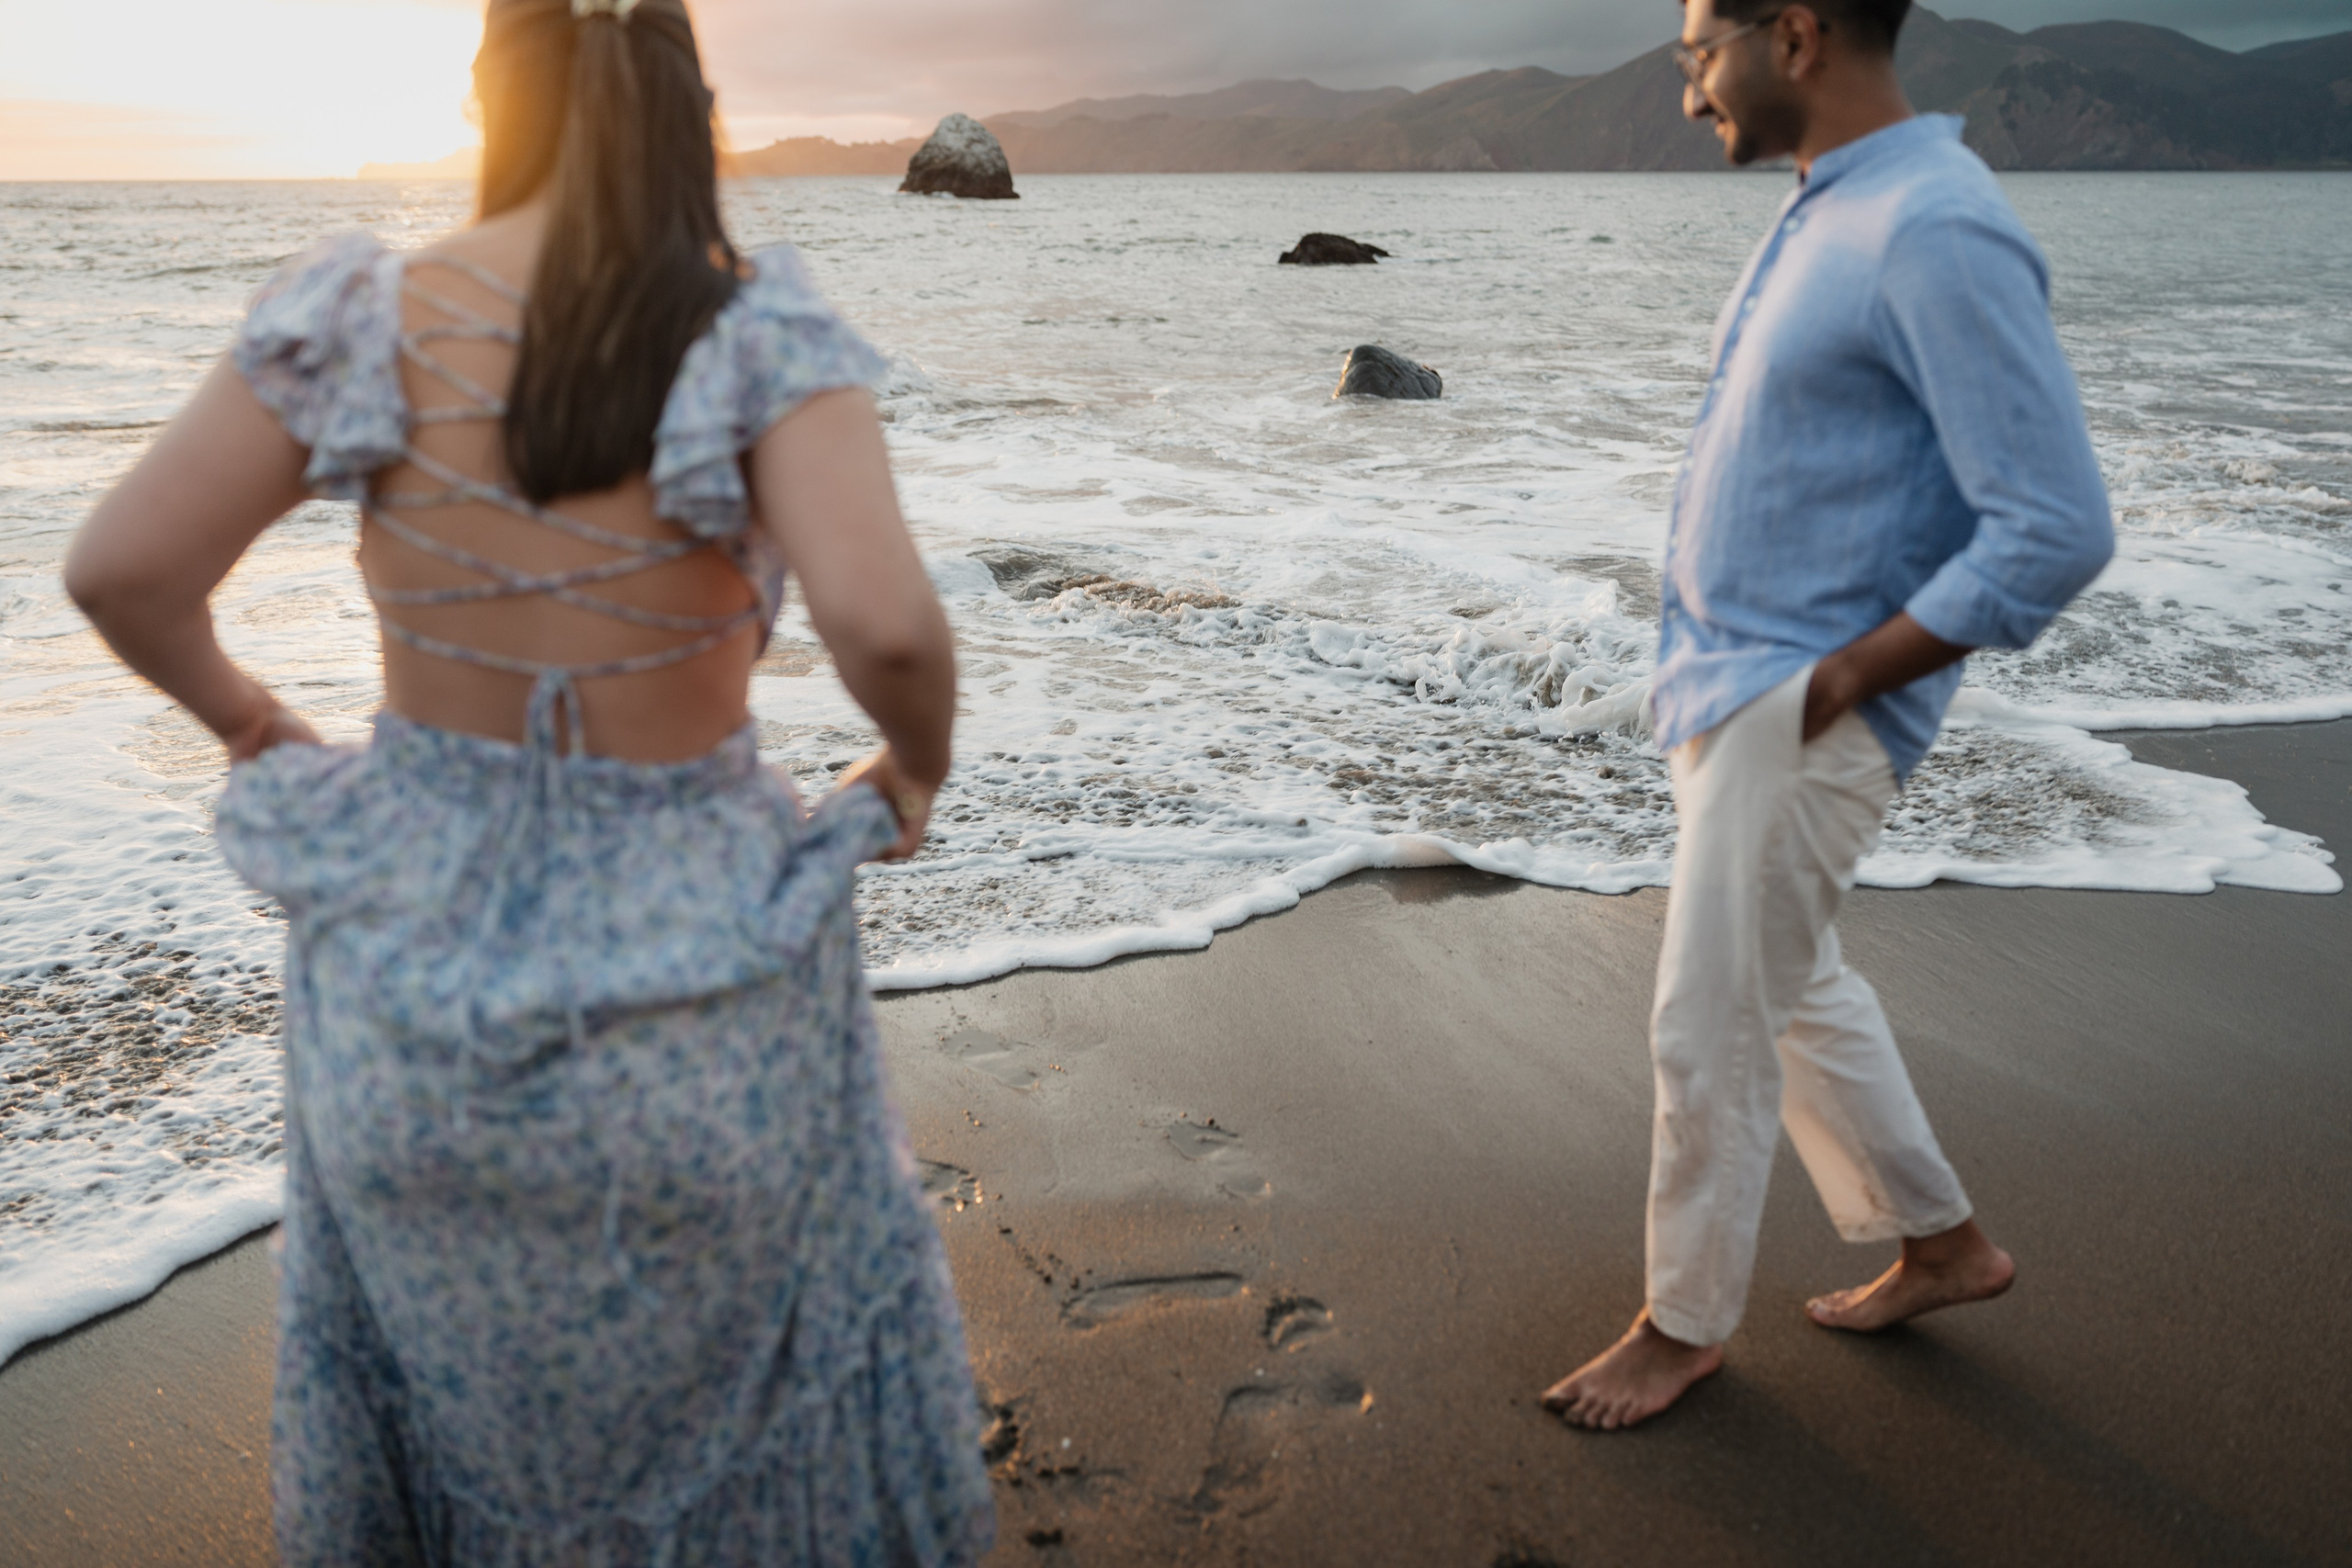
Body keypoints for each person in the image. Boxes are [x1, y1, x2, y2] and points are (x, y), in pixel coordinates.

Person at [62, 0, 995, 1558]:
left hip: (407, 1010)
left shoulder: (365, 309)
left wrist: (247, 725)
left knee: (442, 1437)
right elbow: (889, 626)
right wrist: (909, 767)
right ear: (682, 103)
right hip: (705, 1004)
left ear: (492, 88)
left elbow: (121, 571)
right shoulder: (747, 327)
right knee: (761, 1438)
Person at [1543, 0, 2115, 1431]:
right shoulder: (1835, 208)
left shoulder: (1934, 223)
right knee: (1789, 994)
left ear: (1790, 33)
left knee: (1706, 1022)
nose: (1689, 95)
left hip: (1801, 702)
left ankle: (1679, 1329)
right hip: (1736, 687)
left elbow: (2052, 523)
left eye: (1695, 57)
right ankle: (1943, 1244)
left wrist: (1845, 679)